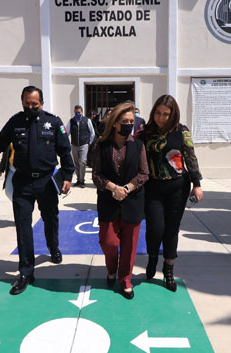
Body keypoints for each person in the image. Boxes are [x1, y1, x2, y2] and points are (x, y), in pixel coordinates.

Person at [0, 86, 74, 295]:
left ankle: (53, 247)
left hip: (46, 182)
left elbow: (65, 151)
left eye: (35, 104)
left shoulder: (53, 122)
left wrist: (68, 176)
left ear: (41, 103)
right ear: (22, 101)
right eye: (27, 103)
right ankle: (26, 272)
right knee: (23, 227)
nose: (31, 107)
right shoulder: (15, 121)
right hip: (22, 183)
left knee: (50, 218)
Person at [138, 94, 203, 292]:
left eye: (166, 114)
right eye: (158, 113)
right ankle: (152, 259)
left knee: (172, 229)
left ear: (173, 114)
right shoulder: (145, 133)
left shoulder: (181, 132)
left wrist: (197, 184)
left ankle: (168, 269)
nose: (161, 118)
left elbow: (190, 157)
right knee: (155, 227)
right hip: (153, 188)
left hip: (178, 187)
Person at [92, 102, 149, 300]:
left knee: (129, 246)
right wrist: (113, 188)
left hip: (132, 202)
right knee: (108, 241)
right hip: (108, 201)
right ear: (115, 123)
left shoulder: (138, 146)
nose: (128, 125)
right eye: (124, 121)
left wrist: (127, 188)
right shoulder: (101, 144)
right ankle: (111, 268)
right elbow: (96, 175)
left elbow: (144, 173)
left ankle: (125, 279)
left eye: (131, 121)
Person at [66, 105, 95, 187]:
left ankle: (82, 180)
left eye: (79, 112)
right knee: (76, 163)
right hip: (74, 144)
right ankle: (78, 180)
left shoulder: (87, 120)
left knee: (82, 162)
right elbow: (67, 132)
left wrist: (89, 143)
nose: (77, 114)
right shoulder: (71, 121)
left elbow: (92, 133)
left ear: (82, 112)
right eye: (76, 112)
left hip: (84, 144)